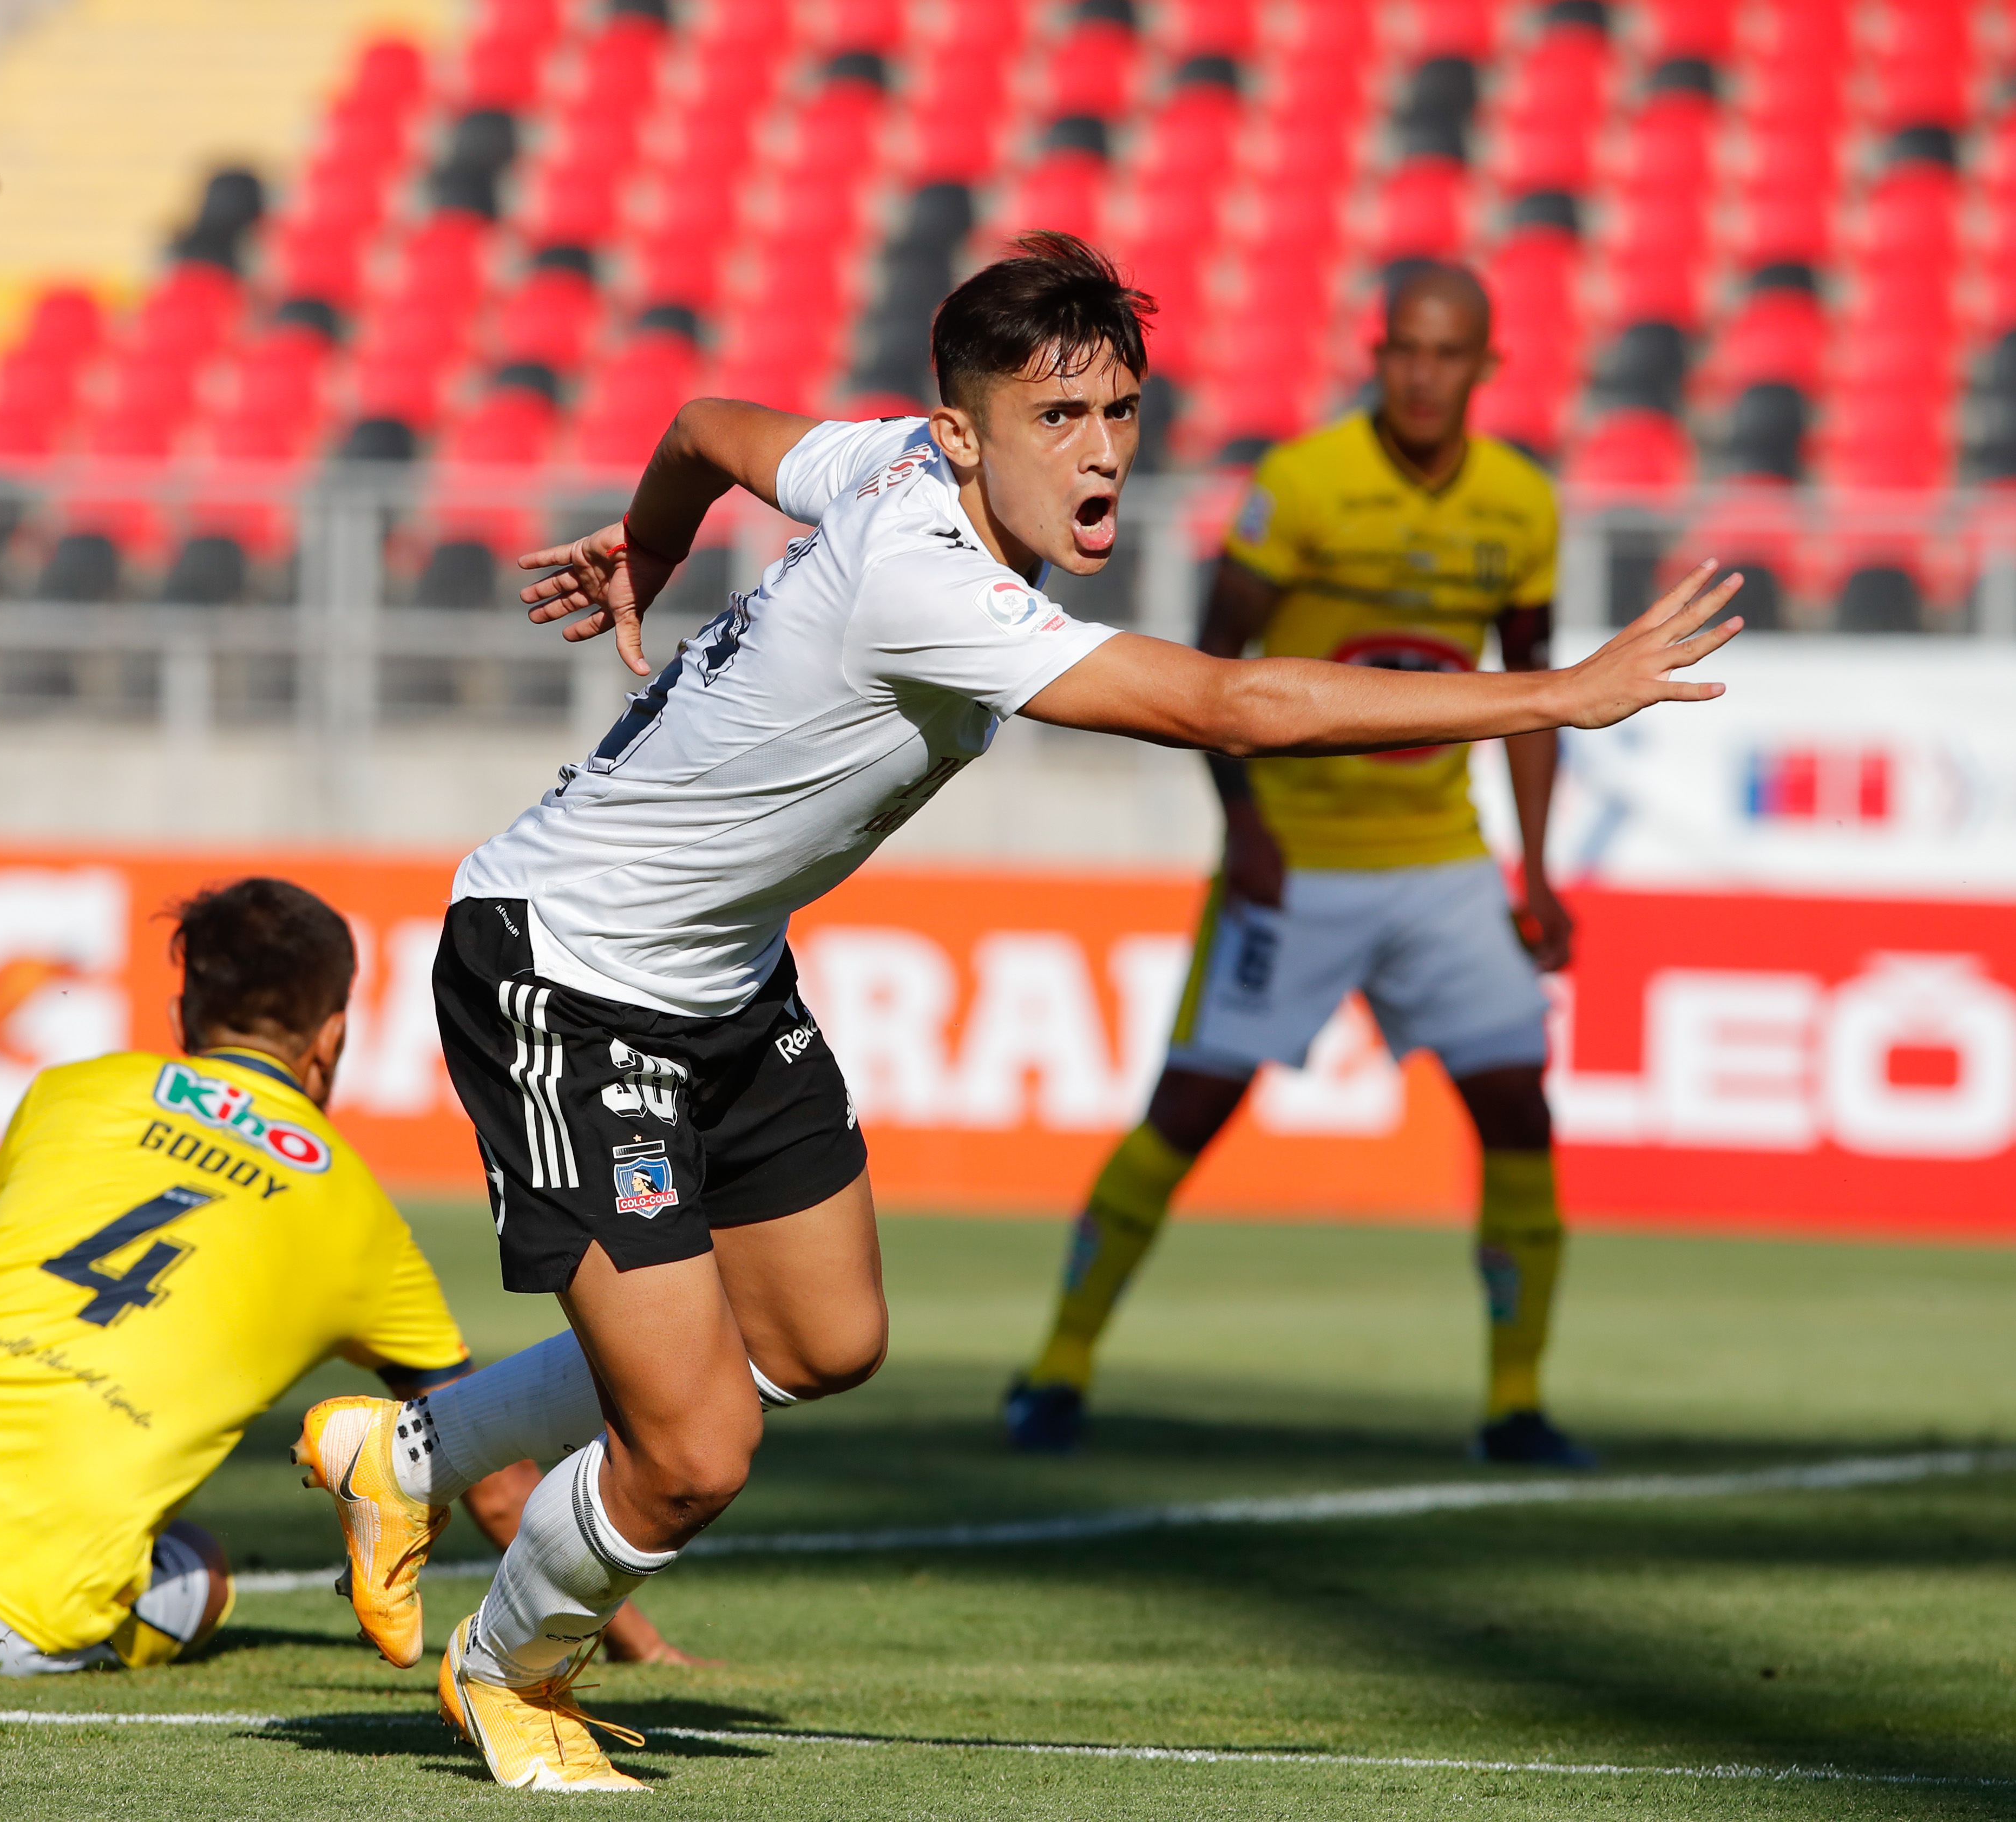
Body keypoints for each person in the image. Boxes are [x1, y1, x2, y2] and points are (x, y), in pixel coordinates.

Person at [357, 232, 1740, 1792]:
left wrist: (651, 551)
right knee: (692, 1454)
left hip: (721, 976)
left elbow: (698, 428)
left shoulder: (885, 457)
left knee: (823, 1336)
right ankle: (507, 1669)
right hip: (567, 969)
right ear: (962, 433)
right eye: (1060, 419)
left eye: (1123, 414)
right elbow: (1236, 704)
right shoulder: (923, 576)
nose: (1102, 457)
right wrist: (1557, 692)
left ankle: (406, 1450)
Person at [0, 880, 690, 1673]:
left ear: (183, 1019)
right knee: (200, 1569)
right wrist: (629, 1639)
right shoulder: (359, 1214)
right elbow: (486, 1478)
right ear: (333, 1038)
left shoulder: (70, 1091)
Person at [1004, 263, 1595, 1468]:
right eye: (1404, 352)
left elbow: (1532, 698)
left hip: (1441, 863)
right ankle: (1057, 1369)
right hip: (1296, 863)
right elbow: (1213, 666)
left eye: (1448, 355)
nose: (1423, 375)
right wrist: (1248, 826)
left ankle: (1515, 1405)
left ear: (1485, 368)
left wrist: (1534, 871)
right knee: (1187, 1112)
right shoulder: (1304, 484)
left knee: (1518, 1114)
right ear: (1377, 356)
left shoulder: (1519, 507)